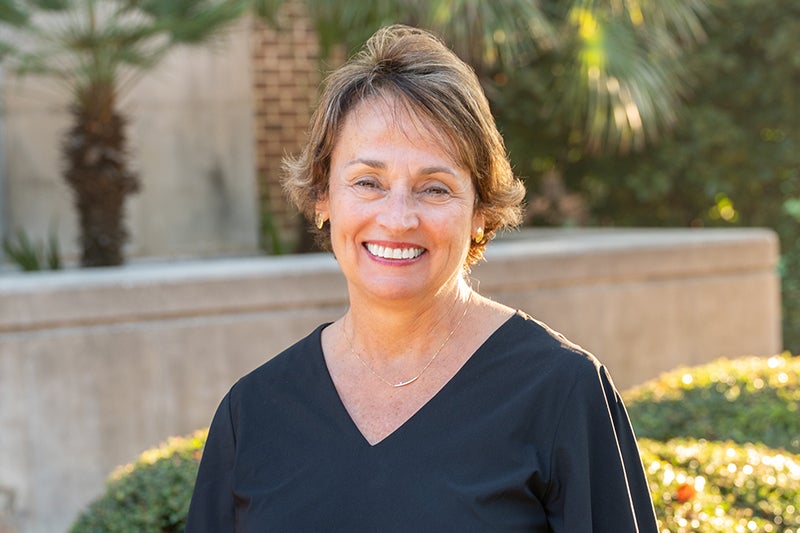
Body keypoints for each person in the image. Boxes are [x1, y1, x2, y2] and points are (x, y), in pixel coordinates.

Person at [186, 24, 658, 532]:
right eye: (368, 182)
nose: (398, 217)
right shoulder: (254, 414)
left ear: (480, 209)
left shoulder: (562, 393)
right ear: (323, 197)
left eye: (434, 189)